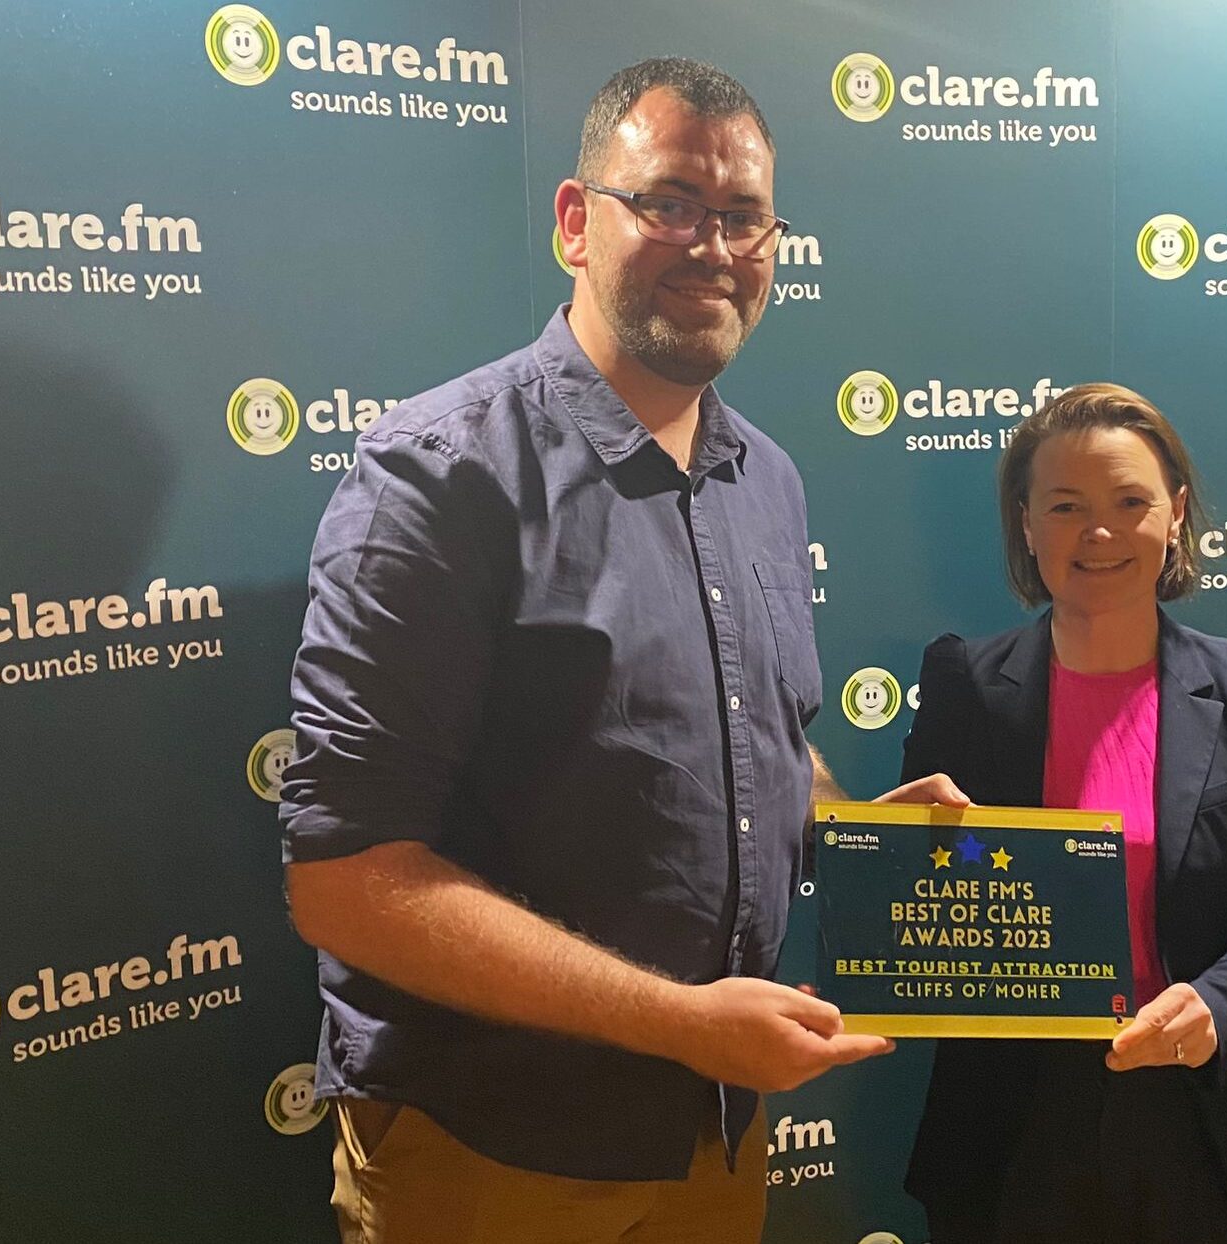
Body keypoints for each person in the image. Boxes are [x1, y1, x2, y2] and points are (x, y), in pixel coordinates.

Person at [279, 58, 944, 1244]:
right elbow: (348, 879)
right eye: (671, 203)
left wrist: (856, 828)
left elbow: (754, 737)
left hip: (712, 1134)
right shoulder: (439, 473)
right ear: (577, 223)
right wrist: (680, 1021)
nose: (714, 247)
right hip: (489, 1150)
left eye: (743, 216)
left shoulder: (767, 478)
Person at [898, 383, 1227, 1244]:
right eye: (1066, 506)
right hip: (1004, 1134)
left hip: (1194, 1120)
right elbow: (918, 911)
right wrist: (893, 852)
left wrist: (1217, 1005)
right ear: (1026, 525)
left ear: (1176, 513)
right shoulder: (964, 684)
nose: (1099, 532)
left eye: (1130, 502)